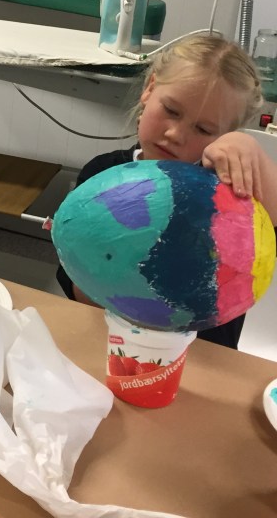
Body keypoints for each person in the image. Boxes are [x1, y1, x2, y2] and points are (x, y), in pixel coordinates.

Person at [56, 33, 277, 349]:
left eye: (203, 129)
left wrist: (252, 152)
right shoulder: (102, 176)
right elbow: (80, 291)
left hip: (203, 358)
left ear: (225, 134)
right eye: (172, 110)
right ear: (150, 89)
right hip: (111, 346)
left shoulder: (228, 192)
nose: (176, 134)